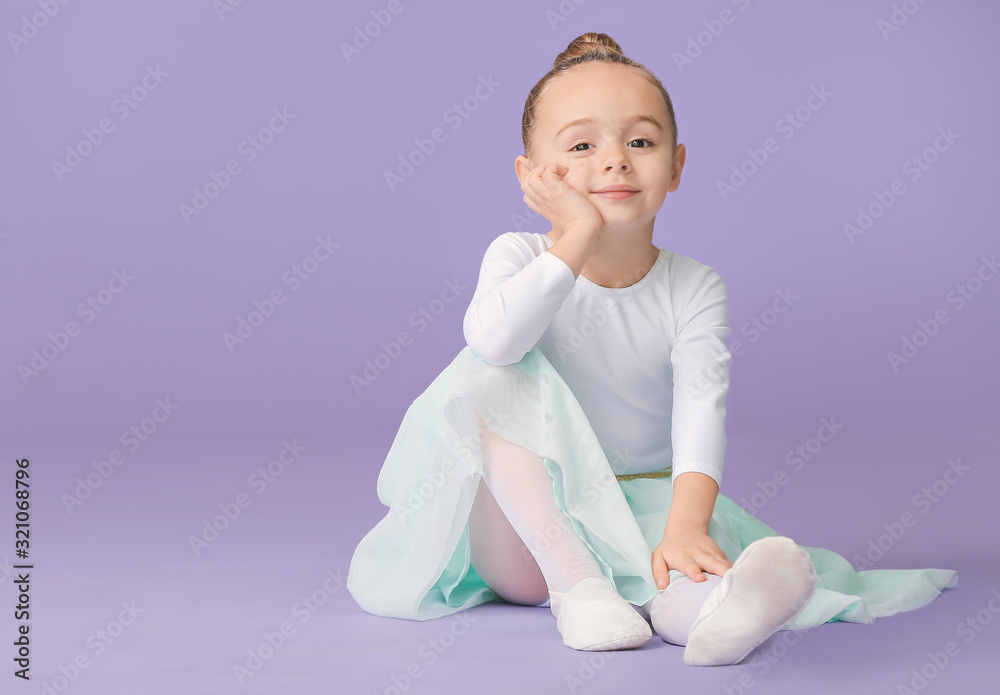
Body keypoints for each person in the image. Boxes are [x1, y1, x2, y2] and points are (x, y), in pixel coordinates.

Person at [347, 32, 958, 666]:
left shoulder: (692, 285)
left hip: (642, 506)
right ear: (531, 174)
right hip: (527, 533)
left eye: (640, 141)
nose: (614, 161)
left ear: (677, 164)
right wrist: (579, 232)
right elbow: (495, 345)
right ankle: (579, 588)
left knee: (676, 575)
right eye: (582, 146)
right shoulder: (519, 257)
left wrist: (687, 525)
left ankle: (718, 619)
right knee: (485, 370)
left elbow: (700, 409)